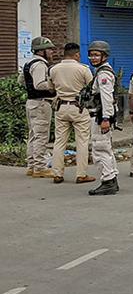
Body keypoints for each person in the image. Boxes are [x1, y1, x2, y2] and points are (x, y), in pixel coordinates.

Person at [49, 42, 94, 185]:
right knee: (82, 141)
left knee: (59, 141)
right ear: (77, 55)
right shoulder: (83, 69)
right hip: (79, 108)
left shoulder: (54, 69)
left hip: (61, 107)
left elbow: (51, 88)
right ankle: (81, 174)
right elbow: (92, 88)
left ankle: (57, 174)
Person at [85, 41, 120, 196]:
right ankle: (112, 179)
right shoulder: (100, 71)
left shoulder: (103, 74)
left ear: (104, 56)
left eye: (97, 55)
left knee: (100, 149)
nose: (93, 57)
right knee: (106, 148)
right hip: (101, 115)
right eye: (91, 54)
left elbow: (106, 98)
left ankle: (107, 182)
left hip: (100, 116)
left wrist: (106, 118)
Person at [23, 36, 57, 178]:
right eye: (49, 49)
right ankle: (40, 167)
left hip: (32, 102)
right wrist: (53, 86)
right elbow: (39, 84)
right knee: (41, 136)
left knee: (33, 135)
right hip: (41, 103)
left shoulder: (29, 63)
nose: (51, 52)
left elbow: (22, 81)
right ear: (41, 51)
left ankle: (31, 165)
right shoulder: (40, 65)